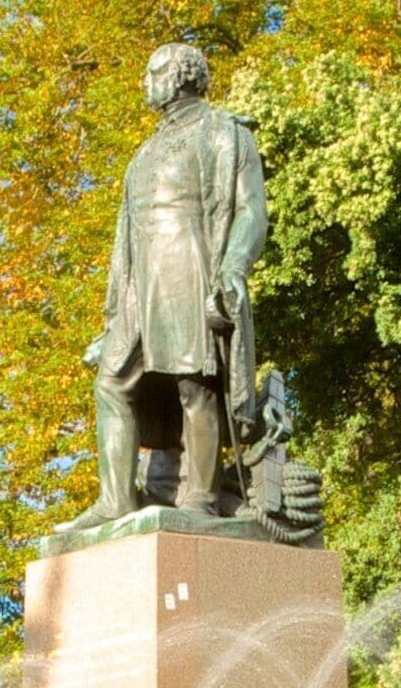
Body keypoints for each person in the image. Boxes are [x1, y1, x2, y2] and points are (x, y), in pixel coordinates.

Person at [75, 40, 270, 523]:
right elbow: (127, 236)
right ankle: (116, 499)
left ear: (180, 76)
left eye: (152, 73)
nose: (145, 82)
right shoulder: (144, 151)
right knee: (112, 383)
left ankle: (199, 499)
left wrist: (233, 266)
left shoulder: (225, 133)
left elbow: (251, 211)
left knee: (195, 384)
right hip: (141, 283)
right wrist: (113, 310)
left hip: (191, 264)